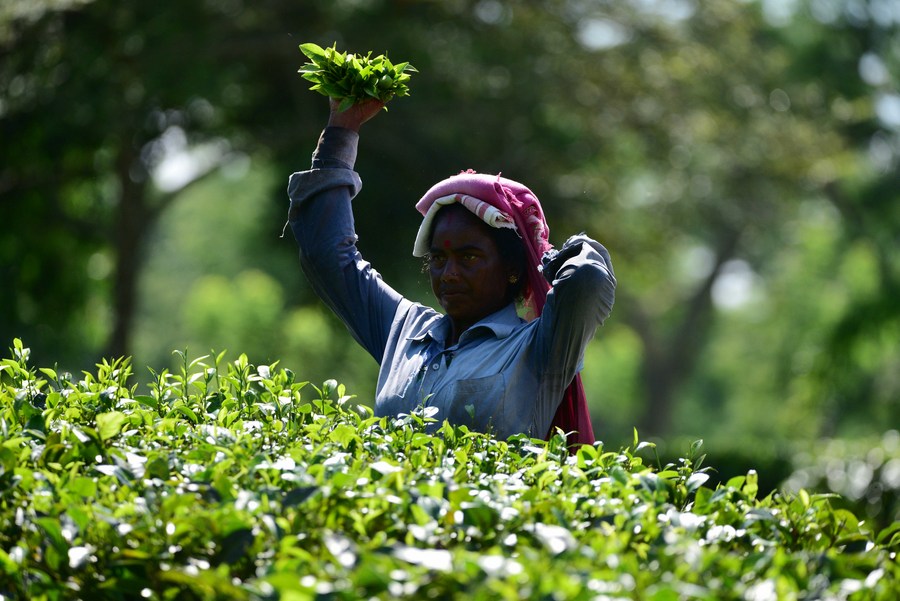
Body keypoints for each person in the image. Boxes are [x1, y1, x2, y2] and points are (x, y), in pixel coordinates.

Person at [286, 98, 616, 445]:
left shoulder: (540, 348)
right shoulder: (405, 331)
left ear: (513, 269)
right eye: (439, 258)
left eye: (469, 257)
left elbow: (587, 281)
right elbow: (328, 256)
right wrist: (341, 131)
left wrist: (545, 254)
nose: (450, 274)